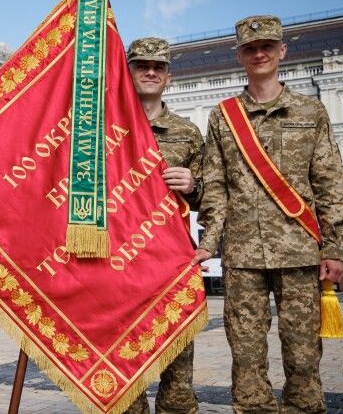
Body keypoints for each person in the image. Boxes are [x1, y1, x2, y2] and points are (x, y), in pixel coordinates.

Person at [194, 16, 343, 412]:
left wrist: (333, 249)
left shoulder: (310, 111)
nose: (259, 53)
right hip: (243, 257)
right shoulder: (223, 116)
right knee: (246, 356)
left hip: (301, 253)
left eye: (267, 46)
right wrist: (208, 243)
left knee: (302, 356)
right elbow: (215, 186)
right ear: (240, 55)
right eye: (250, 48)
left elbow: (330, 183)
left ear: (282, 50)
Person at [123, 37, 203, 414]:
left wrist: (193, 184)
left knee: (177, 359)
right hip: (118, 262)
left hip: (172, 259)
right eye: (141, 65)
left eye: (158, 67)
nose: (150, 72)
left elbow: (212, 194)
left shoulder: (188, 132)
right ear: (129, 72)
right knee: (124, 354)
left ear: (168, 76)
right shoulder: (101, 130)